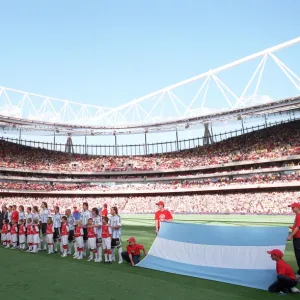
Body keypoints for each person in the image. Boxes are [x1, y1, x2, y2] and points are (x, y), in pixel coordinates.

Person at [287, 202, 300, 279]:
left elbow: (298, 227)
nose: (291, 209)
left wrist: (290, 236)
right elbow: (297, 227)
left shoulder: (299, 216)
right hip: (297, 238)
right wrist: (292, 227)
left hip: (298, 239)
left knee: (299, 256)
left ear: (297, 207)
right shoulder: (297, 216)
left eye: (293, 207)